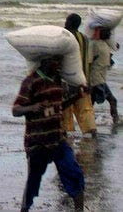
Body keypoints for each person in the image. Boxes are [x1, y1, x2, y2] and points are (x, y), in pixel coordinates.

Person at [12, 55, 85, 212]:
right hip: (37, 142)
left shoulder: (58, 81)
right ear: (45, 61)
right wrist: (32, 108)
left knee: (74, 173)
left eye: (60, 61)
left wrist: (78, 95)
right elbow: (16, 109)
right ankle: (24, 209)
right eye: (55, 61)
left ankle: (80, 210)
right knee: (33, 181)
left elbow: (58, 106)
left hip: (57, 139)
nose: (59, 64)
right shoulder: (31, 82)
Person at [61, 13, 97, 136]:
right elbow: (89, 61)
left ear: (70, 23)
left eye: (67, 21)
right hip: (83, 80)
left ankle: (66, 135)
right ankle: (92, 134)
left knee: (65, 111)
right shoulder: (85, 39)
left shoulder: (65, 38)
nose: (65, 23)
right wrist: (88, 81)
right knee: (86, 110)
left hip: (68, 81)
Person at [89, 26, 119, 125]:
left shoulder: (105, 45)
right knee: (112, 100)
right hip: (95, 79)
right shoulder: (95, 44)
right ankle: (115, 121)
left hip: (100, 78)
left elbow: (110, 58)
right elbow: (89, 61)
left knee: (91, 103)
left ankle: (91, 124)